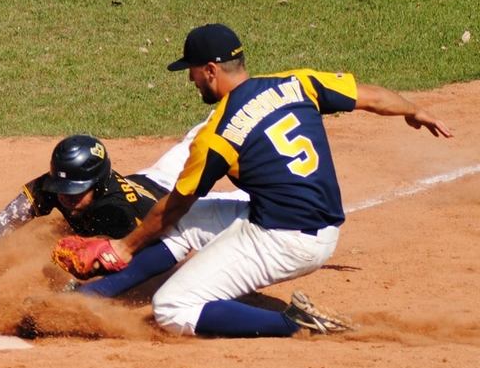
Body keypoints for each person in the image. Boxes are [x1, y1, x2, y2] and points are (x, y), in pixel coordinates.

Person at [93, 23, 453, 337]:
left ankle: (297, 324)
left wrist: (123, 247)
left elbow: (173, 205)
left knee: (172, 308)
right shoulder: (297, 83)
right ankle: (88, 298)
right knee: (189, 222)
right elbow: (372, 96)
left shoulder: (218, 134)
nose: (191, 79)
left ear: (211, 70)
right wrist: (414, 110)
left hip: (285, 240)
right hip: (300, 221)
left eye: (192, 71)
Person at [0, 124, 248, 295]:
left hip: (175, 209)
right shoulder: (56, 185)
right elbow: (7, 219)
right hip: (151, 178)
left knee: (246, 202)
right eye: (62, 190)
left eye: (77, 192)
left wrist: (76, 286)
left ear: (99, 184)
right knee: (195, 137)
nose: (67, 198)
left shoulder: (120, 213)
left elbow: (155, 255)